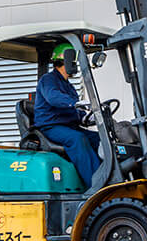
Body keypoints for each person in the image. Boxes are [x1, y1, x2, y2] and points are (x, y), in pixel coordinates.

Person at [33, 43, 102, 188]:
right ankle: (96, 185)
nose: (76, 66)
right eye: (74, 62)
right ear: (67, 61)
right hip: (51, 126)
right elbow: (54, 98)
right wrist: (75, 103)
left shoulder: (68, 85)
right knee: (78, 139)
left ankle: (108, 175)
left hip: (68, 126)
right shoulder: (48, 80)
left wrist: (86, 116)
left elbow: (74, 111)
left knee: (99, 139)